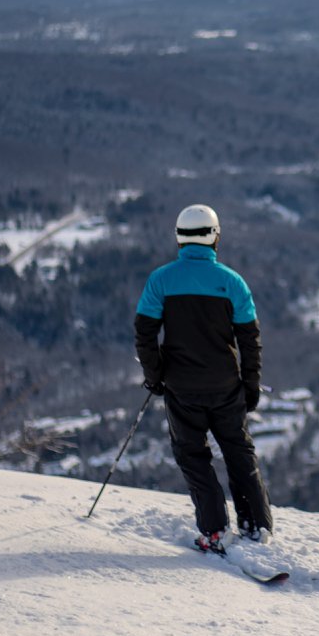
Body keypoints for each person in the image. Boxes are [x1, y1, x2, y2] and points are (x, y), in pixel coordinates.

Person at [133, 203, 273, 553]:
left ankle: (214, 530)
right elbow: (249, 340)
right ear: (215, 237)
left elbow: (145, 334)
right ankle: (257, 526)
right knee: (239, 453)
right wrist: (250, 385)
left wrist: (155, 377)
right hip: (227, 387)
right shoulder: (233, 282)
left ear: (179, 238)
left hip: (181, 389)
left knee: (193, 457)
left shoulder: (160, 280)